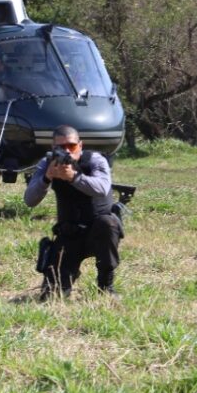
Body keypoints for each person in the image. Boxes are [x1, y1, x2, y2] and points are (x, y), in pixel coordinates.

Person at [24, 125, 122, 299]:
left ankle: (106, 285)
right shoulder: (47, 163)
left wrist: (75, 178)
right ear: (53, 148)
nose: (67, 151)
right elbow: (30, 200)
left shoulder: (95, 160)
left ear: (80, 145)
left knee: (108, 224)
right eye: (61, 147)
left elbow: (102, 188)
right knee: (51, 296)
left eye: (71, 146)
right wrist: (47, 178)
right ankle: (67, 276)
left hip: (98, 232)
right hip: (69, 234)